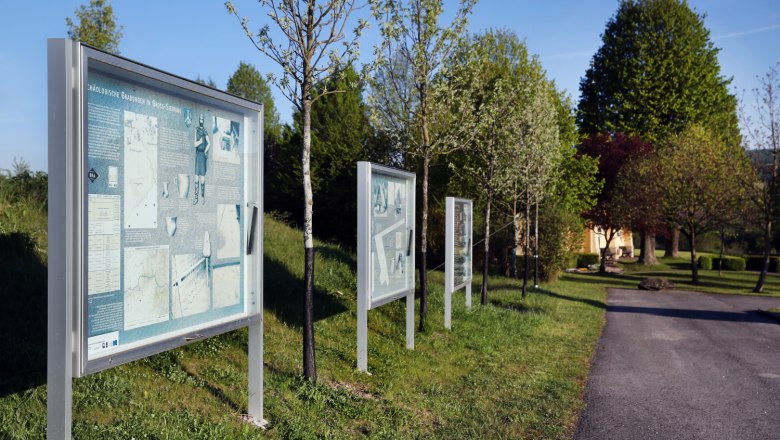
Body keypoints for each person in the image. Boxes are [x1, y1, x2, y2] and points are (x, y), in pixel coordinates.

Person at [193, 113, 209, 204]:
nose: (201, 120)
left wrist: (206, 151)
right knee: (196, 177)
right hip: (198, 154)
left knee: (202, 178)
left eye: (202, 119)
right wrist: (200, 141)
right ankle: (196, 198)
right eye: (200, 119)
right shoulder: (196, 129)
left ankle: (202, 197)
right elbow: (195, 144)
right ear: (199, 120)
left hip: (202, 155)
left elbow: (209, 143)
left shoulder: (205, 131)